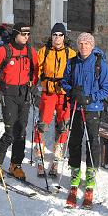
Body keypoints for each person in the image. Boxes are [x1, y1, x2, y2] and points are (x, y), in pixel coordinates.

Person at [61, 32, 108, 208]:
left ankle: (90, 178)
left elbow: (106, 89)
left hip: (92, 108)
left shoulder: (100, 64)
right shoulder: (73, 62)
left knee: (92, 143)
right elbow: (64, 81)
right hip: (76, 106)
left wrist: (90, 98)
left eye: (87, 43)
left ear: (92, 46)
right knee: (75, 141)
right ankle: (75, 174)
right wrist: (72, 91)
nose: (83, 46)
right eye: (81, 43)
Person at [0, 22, 39, 181]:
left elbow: (36, 70)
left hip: (24, 94)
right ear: (16, 34)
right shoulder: (4, 50)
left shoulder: (30, 51)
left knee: (21, 132)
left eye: (28, 34)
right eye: (23, 34)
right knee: (10, 132)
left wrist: (34, 85)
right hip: (8, 94)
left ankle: (15, 164)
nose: (26, 37)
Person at [34, 23, 77, 177]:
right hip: (48, 92)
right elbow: (36, 70)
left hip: (64, 95)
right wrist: (33, 85)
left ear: (64, 37)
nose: (57, 38)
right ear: (51, 36)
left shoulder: (71, 53)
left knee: (64, 126)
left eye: (60, 35)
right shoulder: (44, 52)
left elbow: (76, 73)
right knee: (42, 125)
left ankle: (57, 158)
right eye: (55, 35)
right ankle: (39, 156)